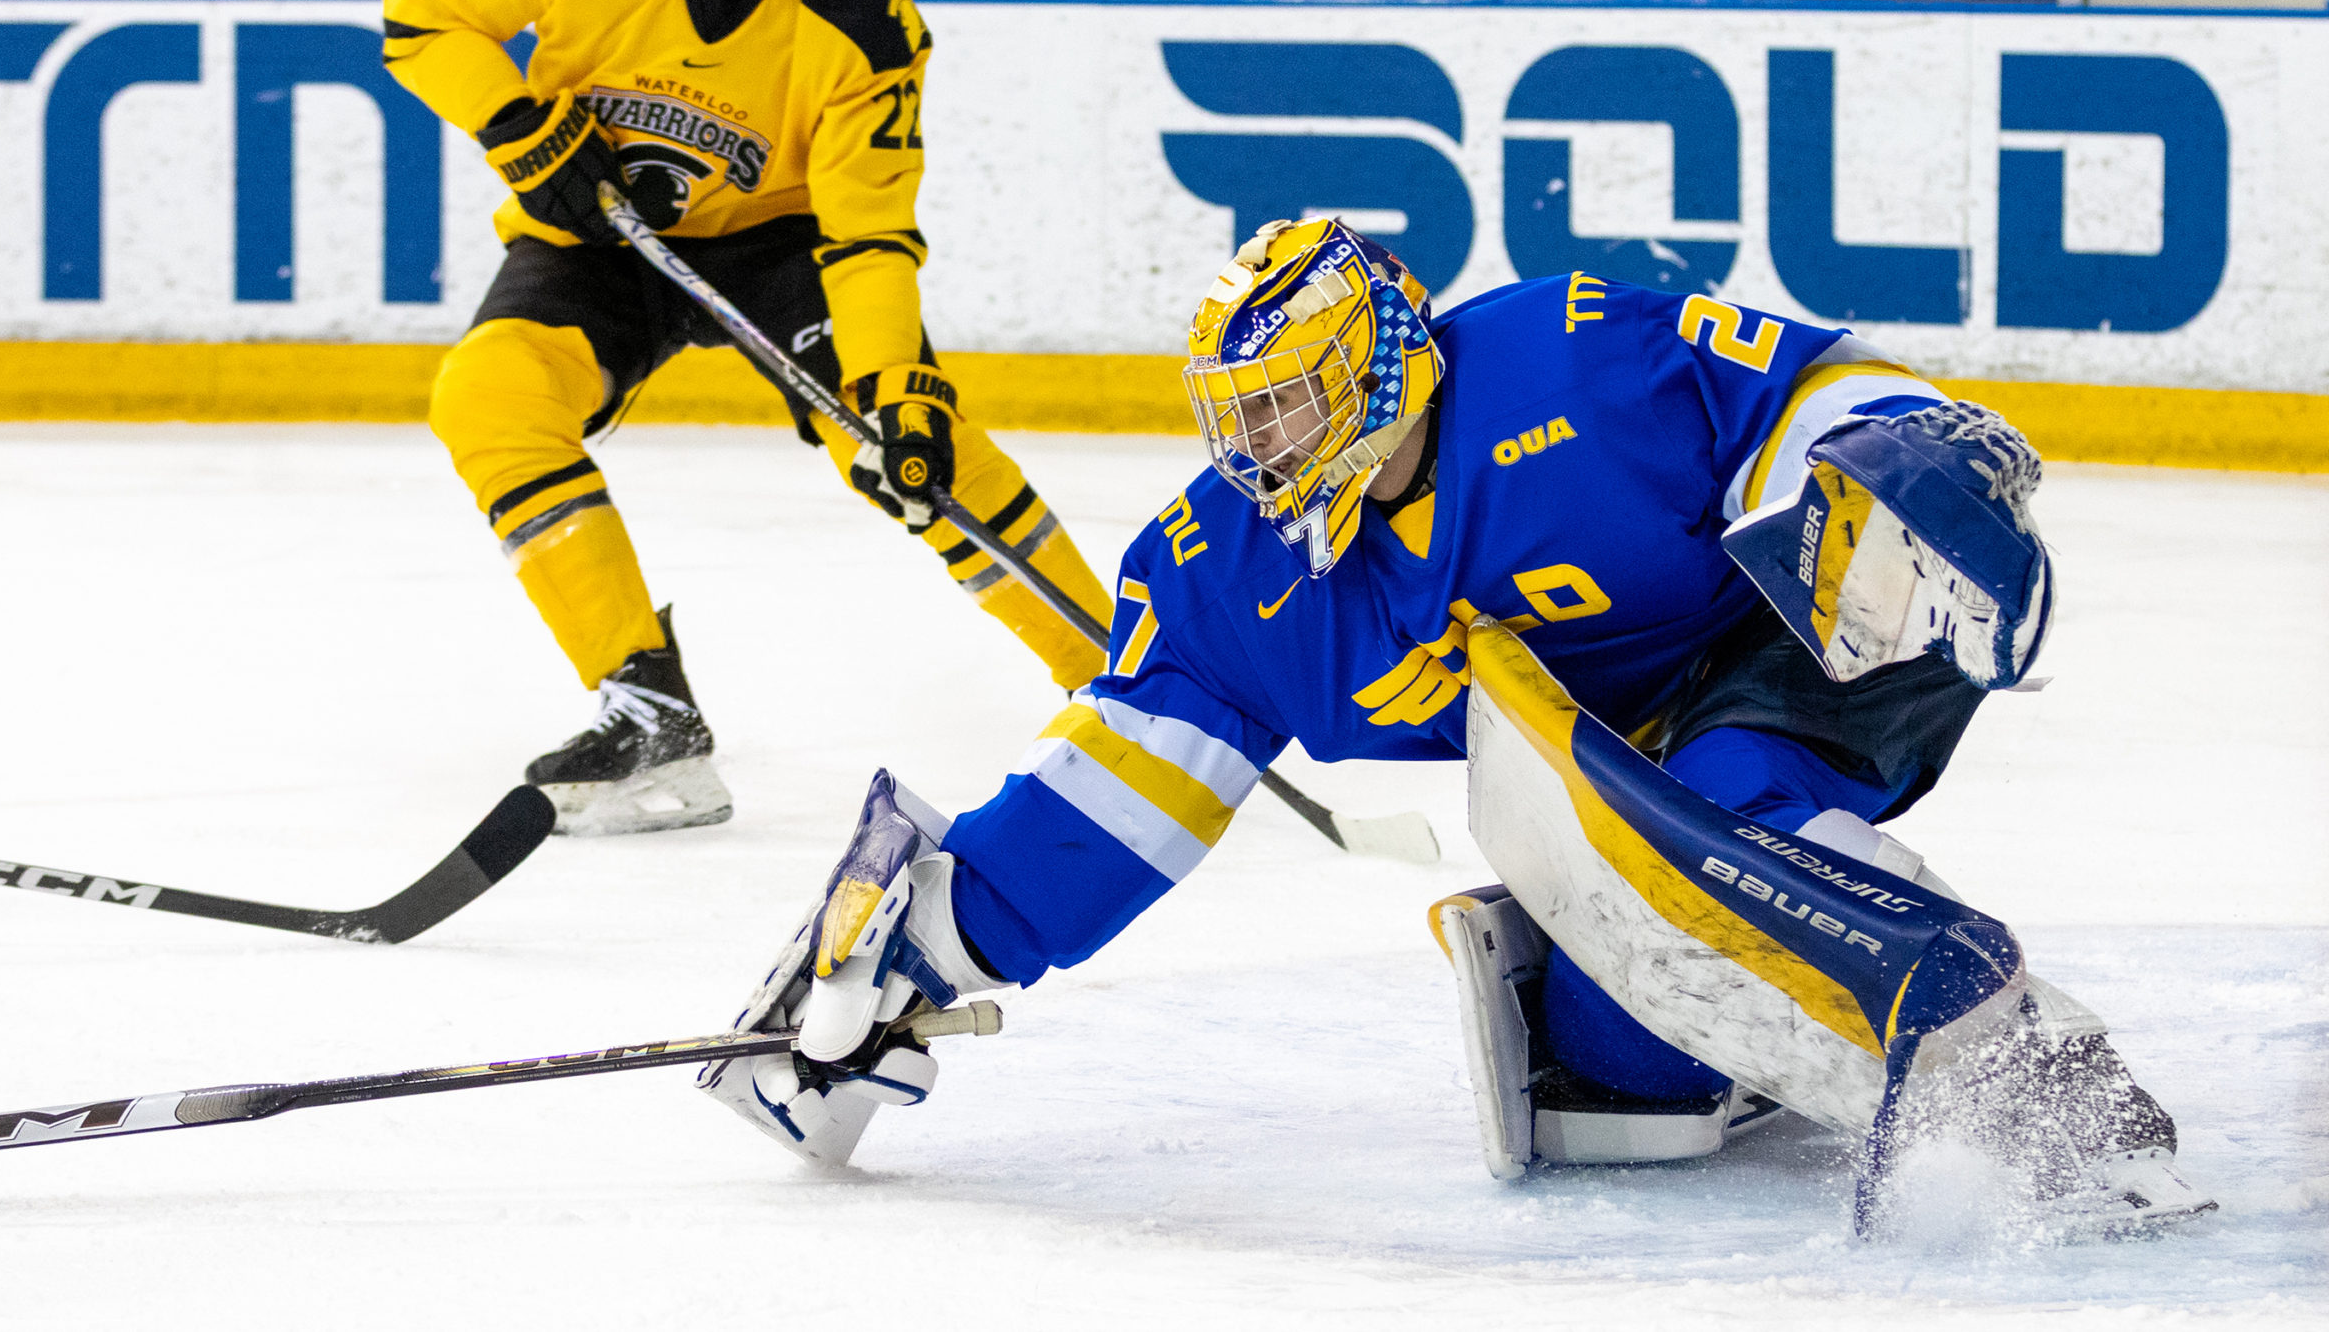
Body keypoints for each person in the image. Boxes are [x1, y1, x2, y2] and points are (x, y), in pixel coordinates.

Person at [700, 219, 2212, 1237]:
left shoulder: (1571, 357)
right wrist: (920, 949)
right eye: (1242, 416)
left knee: (1730, 794)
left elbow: (1806, 377)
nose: (1259, 450)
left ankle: (2015, 1057)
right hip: (1602, 771)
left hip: (1790, 635)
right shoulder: (1234, 574)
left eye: (1290, 404)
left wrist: (1883, 452)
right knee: (1622, 1086)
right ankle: (1723, 1004)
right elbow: (1123, 787)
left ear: (1380, 359)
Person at [379, 0, 1112, 836]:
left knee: (913, 442)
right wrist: (519, 123)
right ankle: (648, 711)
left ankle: (1124, 688)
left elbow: (868, 233)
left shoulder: (863, 15)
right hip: (597, 235)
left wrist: (895, 383)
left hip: (784, 252)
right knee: (486, 402)